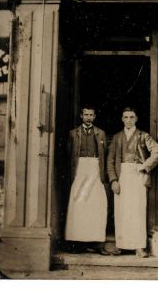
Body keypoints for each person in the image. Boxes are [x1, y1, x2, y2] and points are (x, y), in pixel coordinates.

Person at [107, 107, 158, 257]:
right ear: (122, 119)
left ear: (136, 119)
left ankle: (139, 247)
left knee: (137, 210)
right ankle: (121, 245)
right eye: (125, 117)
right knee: (121, 211)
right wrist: (113, 180)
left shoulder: (143, 136)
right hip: (122, 176)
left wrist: (145, 167)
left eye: (131, 117)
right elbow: (110, 161)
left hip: (137, 176)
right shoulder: (117, 137)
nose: (128, 120)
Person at [65, 105, 109, 255]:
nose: (88, 117)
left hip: (95, 168)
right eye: (86, 115)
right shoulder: (73, 133)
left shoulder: (101, 133)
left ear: (95, 117)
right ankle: (76, 243)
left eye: (91, 115)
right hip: (80, 169)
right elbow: (68, 154)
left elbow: (105, 154)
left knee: (96, 204)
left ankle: (97, 243)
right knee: (78, 204)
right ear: (81, 116)